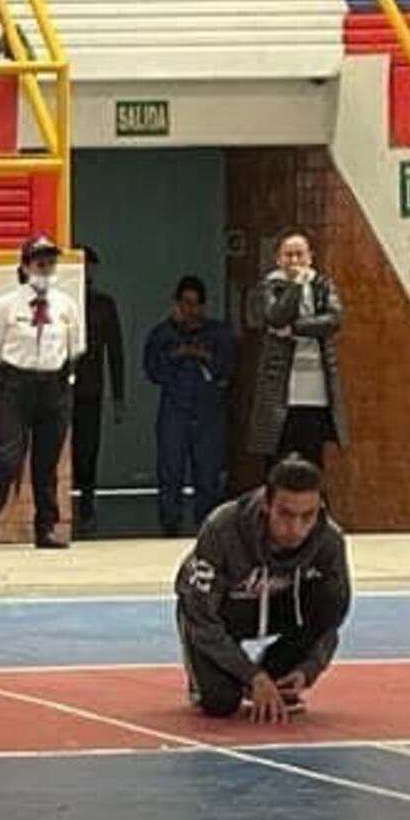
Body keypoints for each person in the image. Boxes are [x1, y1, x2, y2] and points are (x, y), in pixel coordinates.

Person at [174, 455, 350, 721]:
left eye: (307, 516)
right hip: (221, 611)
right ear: (266, 505)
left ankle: (276, 674)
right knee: (220, 702)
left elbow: (333, 614)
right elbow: (201, 616)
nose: (296, 529)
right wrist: (252, 676)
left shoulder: (329, 541)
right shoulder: (221, 528)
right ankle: (231, 681)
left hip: (281, 609)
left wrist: (309, 667)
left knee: (330, 596)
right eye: (286, 515)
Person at [0, 234, 85, 551]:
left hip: (54, 386)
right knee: (7, 458)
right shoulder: (7, 305)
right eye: (40, 262)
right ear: (25, 266)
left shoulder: (66, 305)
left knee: (46, 463)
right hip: (17, 386)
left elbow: (75, 347)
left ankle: (46, 528)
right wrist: (11, 377)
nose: (46, 268)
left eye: (51, 262)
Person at [244, 228, 345, 482]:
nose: (295, 261)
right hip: (281, 393)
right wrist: (296, 286)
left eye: (300, 254)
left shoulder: (323, 285)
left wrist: (296, 328)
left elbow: (333, 320)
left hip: (316, 393)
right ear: (278, 259)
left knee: (312, 463)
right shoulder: (269, 286)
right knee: (277, 463)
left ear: (310, 256)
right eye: (288, 255)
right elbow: (275, 316)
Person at [146, 272, 239, 536]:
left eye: (195, 304)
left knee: (208, 472)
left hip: (208, 411)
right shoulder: (162, 334)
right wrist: (177, 352)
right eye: (185, 303)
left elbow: (228, 367)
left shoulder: (218, 333)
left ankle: (207, 525)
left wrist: (203, 355)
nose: (190, 309)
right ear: (176, 303)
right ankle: (170, 523)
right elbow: (152, 370)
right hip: (174, 409)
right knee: (170, 469)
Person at [70, 245, 127, 537]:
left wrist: (119, 397)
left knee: (88, 450)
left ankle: (87, 503)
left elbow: (115, 352)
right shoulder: (61, 302)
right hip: (60, 388)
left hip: (91, 388)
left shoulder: (103, 305)